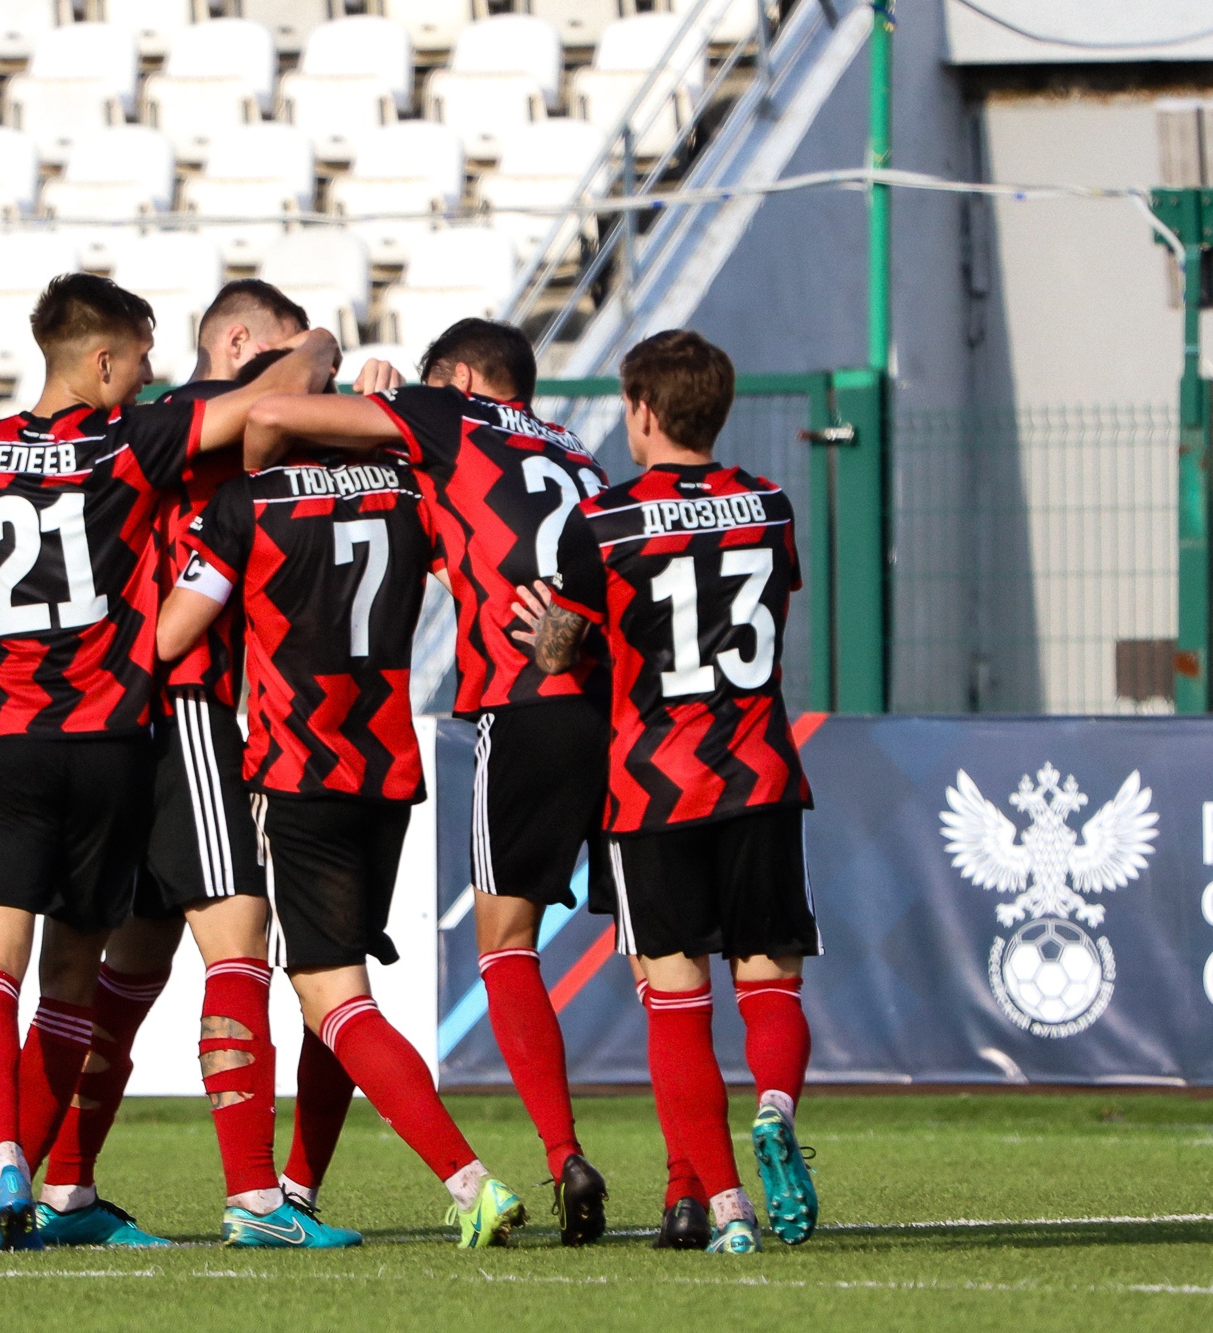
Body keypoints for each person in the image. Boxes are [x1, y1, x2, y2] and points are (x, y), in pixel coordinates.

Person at [0, 272, 340, 1251]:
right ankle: (254, 1196)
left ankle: (42, 1184)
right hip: (161, 715)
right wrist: (324, 346)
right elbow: (261, 402)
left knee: (104, 970)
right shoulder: (146, 434)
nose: (148, 376)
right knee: (230, 936)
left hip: (5, 728)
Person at [235, 319, 613, 1244]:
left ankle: (546, 1156)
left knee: (496, 947)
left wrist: (359, 385)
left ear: (465, 378)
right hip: (610, 708)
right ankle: (707, 1185)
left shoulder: (447, 415)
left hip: (494, 709)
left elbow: (273, 414)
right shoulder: (584, 456)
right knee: (660, 954)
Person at [153, 410, 528, 1250]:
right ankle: (299, 1189)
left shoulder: (248, 503)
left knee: (332, 994)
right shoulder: (408, 493)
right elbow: (471, 572)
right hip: (386, 771)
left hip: (298, 773)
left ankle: (469, 1182)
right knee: (339, 987)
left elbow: (173, 631)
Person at [516, 328, 819, 1255]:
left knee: (677, 1000)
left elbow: (562, 651)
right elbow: (770, 608)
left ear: (642, 412)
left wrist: (547, 628)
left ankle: (727, 1212)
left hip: (653, 790)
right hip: (760, 772)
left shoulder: (599, 522)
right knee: (769, 981)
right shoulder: (769, 505)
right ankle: (774, 1107)